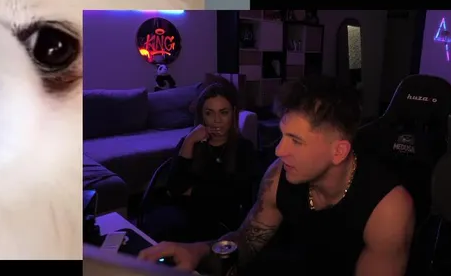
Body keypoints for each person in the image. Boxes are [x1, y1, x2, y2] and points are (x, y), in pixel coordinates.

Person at [138, 75, 415, 276]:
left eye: (296, 140)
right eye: (282, 135)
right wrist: (196, 252)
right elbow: (247, 240)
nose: (279, 150)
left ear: (338, 151)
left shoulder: (388, 208)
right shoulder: (279, 174)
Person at [141, 80, 257, 243]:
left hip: (221, 223)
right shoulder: (190, 142)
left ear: (233, 113)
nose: (217, 120)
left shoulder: (244, 147)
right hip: (185, 215)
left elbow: (236, 196)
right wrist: (189, 142)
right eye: (209, 113)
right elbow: (175, 188)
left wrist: (193, 191)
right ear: (202, 116)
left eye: (223, 112)